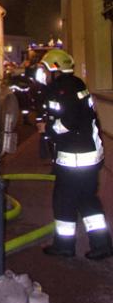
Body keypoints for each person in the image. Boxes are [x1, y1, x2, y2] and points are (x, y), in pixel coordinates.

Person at [39, 49, 112, 260]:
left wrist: (48, 129)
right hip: (87, 156)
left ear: (55, 69)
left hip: (75, 159)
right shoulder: (77, 84)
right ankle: (101, 245)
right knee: (87, 200)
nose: (43, 73)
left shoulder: (63, 90)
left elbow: (69, 122)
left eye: (45, 69)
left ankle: (65, 246)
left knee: (64, 201)